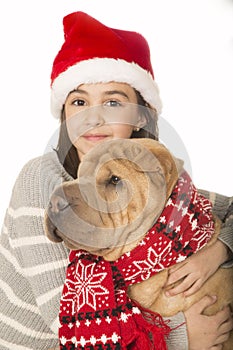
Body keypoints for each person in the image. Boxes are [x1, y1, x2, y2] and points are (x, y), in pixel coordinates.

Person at [0, 11, 232, 350]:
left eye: (113, 101)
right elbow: (65, 317)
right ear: (64, 114)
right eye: (79, 101)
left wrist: (215, 253)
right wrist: (184, 336)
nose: (93, 117)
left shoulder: (143, 173)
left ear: (140, 114)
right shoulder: (40, 178)